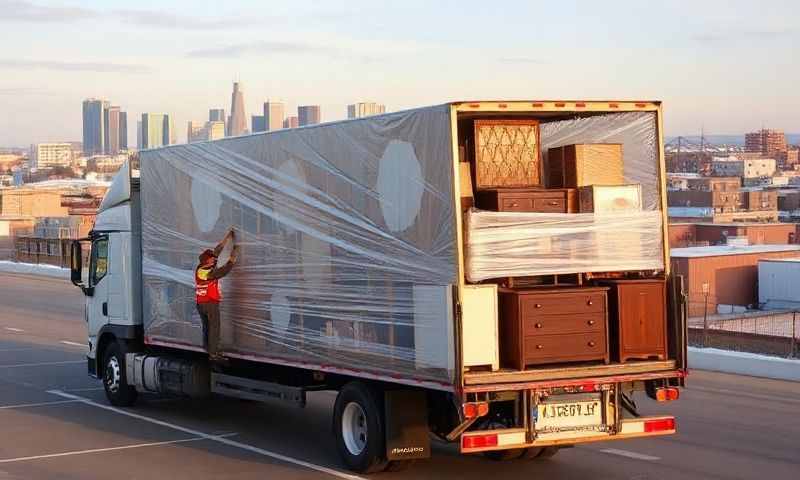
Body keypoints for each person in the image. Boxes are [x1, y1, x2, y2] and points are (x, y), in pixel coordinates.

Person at [195, 228, 239, 363]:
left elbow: (217, 251)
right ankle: (214, 354)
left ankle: (209, 348)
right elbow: (224, 271)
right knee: (214, 327)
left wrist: (228, 237)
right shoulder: (206, 273)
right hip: (209, 303)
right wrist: (233, 258)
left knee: (208, 327)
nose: (213, 259)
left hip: (201, 302)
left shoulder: (202, 267)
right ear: (207, 261)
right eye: (211, 259)